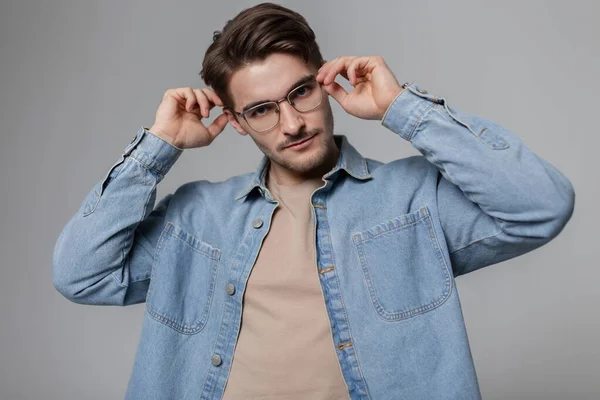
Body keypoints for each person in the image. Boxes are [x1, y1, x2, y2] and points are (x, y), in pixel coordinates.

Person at [52, 2, 575, 399]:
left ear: (325, 81)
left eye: (300, 92)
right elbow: (82, 273)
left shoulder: (413, 199)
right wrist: (156, 149)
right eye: (261, 110)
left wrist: (400, 107)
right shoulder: (197, 217)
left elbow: (542, 206)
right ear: (234, 122)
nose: (292, 123)